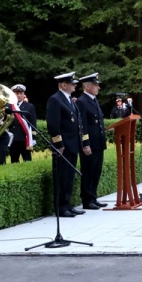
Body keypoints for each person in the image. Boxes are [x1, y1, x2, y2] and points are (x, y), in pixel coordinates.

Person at [46, 72, 86, 217]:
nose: (75, 85)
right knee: (62, 177)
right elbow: (53, 124)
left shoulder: (68, 99)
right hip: (63, 146)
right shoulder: (55, 100)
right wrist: (59, 144)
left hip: (72, 145)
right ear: (63, 85)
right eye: (72, 83)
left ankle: (67, 204)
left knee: (69, 177)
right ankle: (60, 207)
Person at [76, 73, 108, 210]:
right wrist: (85, 143)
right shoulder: (82, 101)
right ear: (87, 86)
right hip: (90, 144)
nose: (98, 88)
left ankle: (93, 196)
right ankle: (87, 199)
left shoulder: (93, 100)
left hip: (98, 142)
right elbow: (82, 125)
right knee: (88, 171)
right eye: (95, 85)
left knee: (96, 171)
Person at [8, 84, 36, 163]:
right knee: (14, 160)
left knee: (27, 160)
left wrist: (33, 138)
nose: (19, 95)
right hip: (13, 137)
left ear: (24, 95)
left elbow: (33, 123)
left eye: (21, 93)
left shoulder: (29, 106)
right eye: (17, 93)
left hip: (25, 138)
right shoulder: (8, 107)